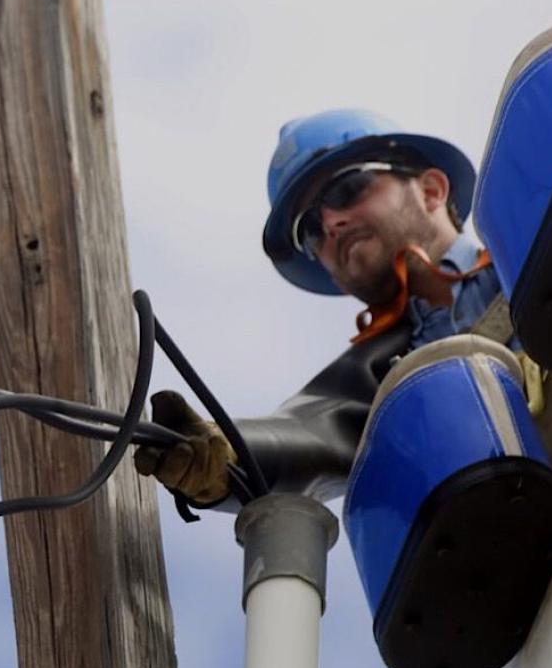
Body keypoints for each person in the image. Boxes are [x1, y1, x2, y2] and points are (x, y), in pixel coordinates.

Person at [135, 108, 530, 509]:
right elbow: (312, 432)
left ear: (431, 191)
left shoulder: (533, 248)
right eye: (309, 229)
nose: (331, 224)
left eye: (347, 189)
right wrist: (224, 454)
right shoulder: (383, 382)